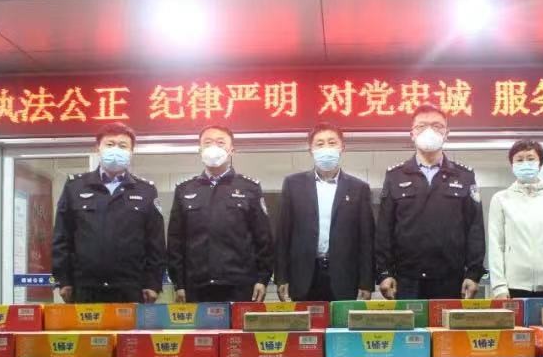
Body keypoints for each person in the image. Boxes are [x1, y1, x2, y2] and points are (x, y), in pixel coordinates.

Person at [375, 104, 485, 300]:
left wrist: (473, 273)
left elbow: (475, 228)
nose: (429, 131)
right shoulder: (395, 176)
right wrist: (384, 272)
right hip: (406, 279)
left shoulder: (464, 176)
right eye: (421, 126)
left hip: (452, 279)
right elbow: (384, 229)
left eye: (436, 126)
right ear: (412, 134)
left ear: (446, 133)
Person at [51, 122, 165, 304]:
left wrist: (153, 283)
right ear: (98, 148)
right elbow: (62, 237)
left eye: (123, 146)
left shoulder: (146, 190)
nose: (116, 150)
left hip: (131, 287)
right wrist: (62, 279)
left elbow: (155, 242)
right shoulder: (75, 186)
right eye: (110, 144)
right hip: (85, 286)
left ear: (131, 152)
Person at [167, 124, 273, 303]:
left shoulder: (249, 188)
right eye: (208, 143)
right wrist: (179, 283)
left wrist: (263, 279)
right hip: (196, 285)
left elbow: (263, 238)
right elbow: (175, 241)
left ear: (232, 150)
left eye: (220, 142)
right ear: (200, 150)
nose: (213, 147)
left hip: (240, 284)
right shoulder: (185, 189)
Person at [275, 123, 375, 302]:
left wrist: (366, 282)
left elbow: (366, 239)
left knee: (341, 321)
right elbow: (283, 235)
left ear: (342, 147)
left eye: (332, 143)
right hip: (303, 275)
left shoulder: (359, 188)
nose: (326, 148)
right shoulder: (293, 184)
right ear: (310, 150)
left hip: (345, 276)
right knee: (306, 321)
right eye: (320, 144)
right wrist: (281, 277)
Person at [488, 140, 543, 299]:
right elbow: (496, 245)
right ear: (512, 165)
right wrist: (499, 286)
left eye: (530, 159)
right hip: (513, 285)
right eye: (519, 160)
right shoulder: (501, 199)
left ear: (540, 164)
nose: (525, 163)